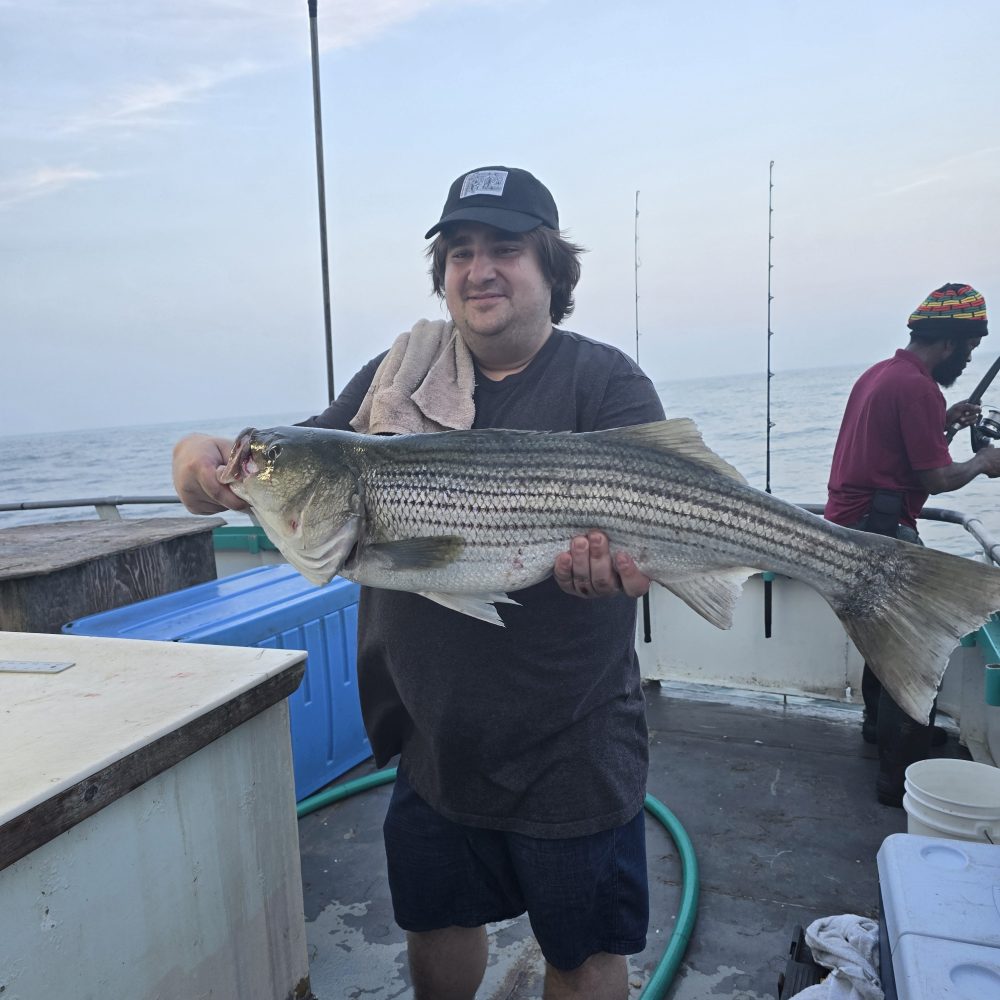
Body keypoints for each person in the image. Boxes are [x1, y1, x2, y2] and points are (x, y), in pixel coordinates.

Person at [173, 166, 665, 1000]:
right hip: (432, 732)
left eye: (505, 249)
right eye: (459, 252)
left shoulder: (605, 383)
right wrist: (201, 457)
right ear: (441, 275)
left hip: (571, 738)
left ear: (552, 269)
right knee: (435, 925)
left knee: (582, 954)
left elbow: (656, 537)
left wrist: (622, 572)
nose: (478, 271)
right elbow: (300, 460)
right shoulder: (394, 377)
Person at [825, 282, 1000, 807]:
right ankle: (898, 774)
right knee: (910, 647)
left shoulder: (883, 375)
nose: (968, 361)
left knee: (883, 636)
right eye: (968, 350)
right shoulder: (919, 387)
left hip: (851, 526)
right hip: (881, 531)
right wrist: (984, 463)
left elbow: (895, 449)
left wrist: (944, 423)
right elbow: (937, 477)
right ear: (948, 343)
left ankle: (879, 733)